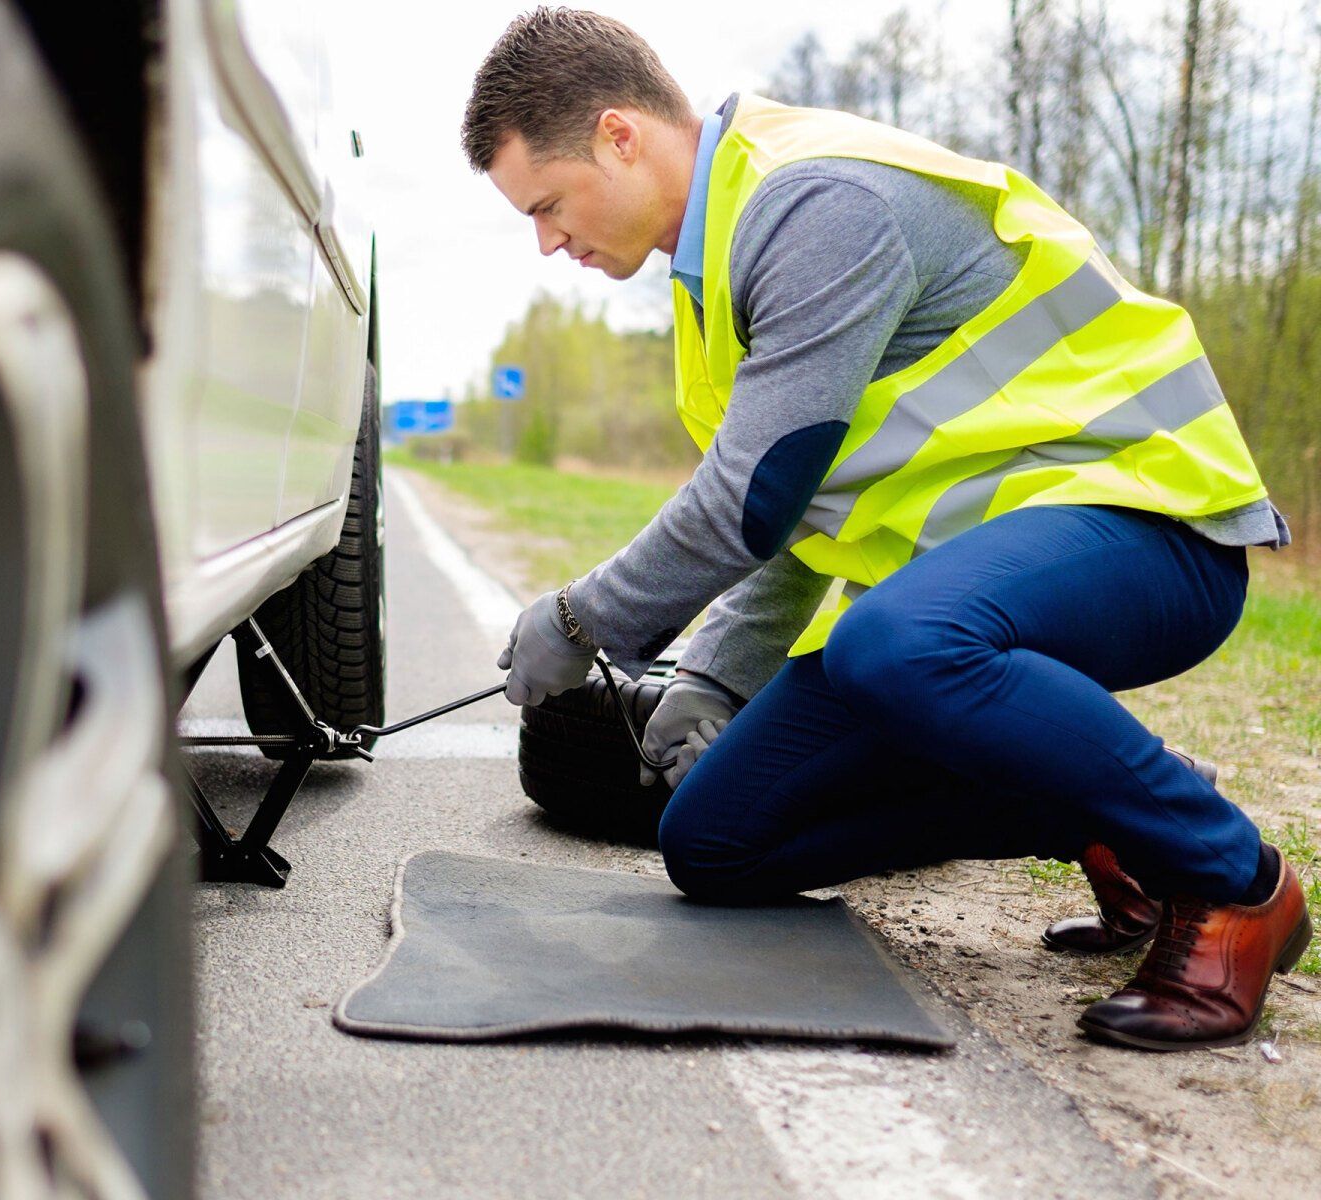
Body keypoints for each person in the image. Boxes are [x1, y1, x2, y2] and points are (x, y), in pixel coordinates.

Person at [466, 7, 1308, 1052]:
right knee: (715, 841)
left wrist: (583, 619)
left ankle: (1234, 881)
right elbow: (801, 511)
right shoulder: (712, 275)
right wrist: (714, 680)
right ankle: (1109, 813)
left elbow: (752, 495)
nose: (548, 241)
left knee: (892, 645)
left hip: (1152, 523)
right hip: (968, 590)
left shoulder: (813, 202)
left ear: (618, 135)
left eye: (546, 205)